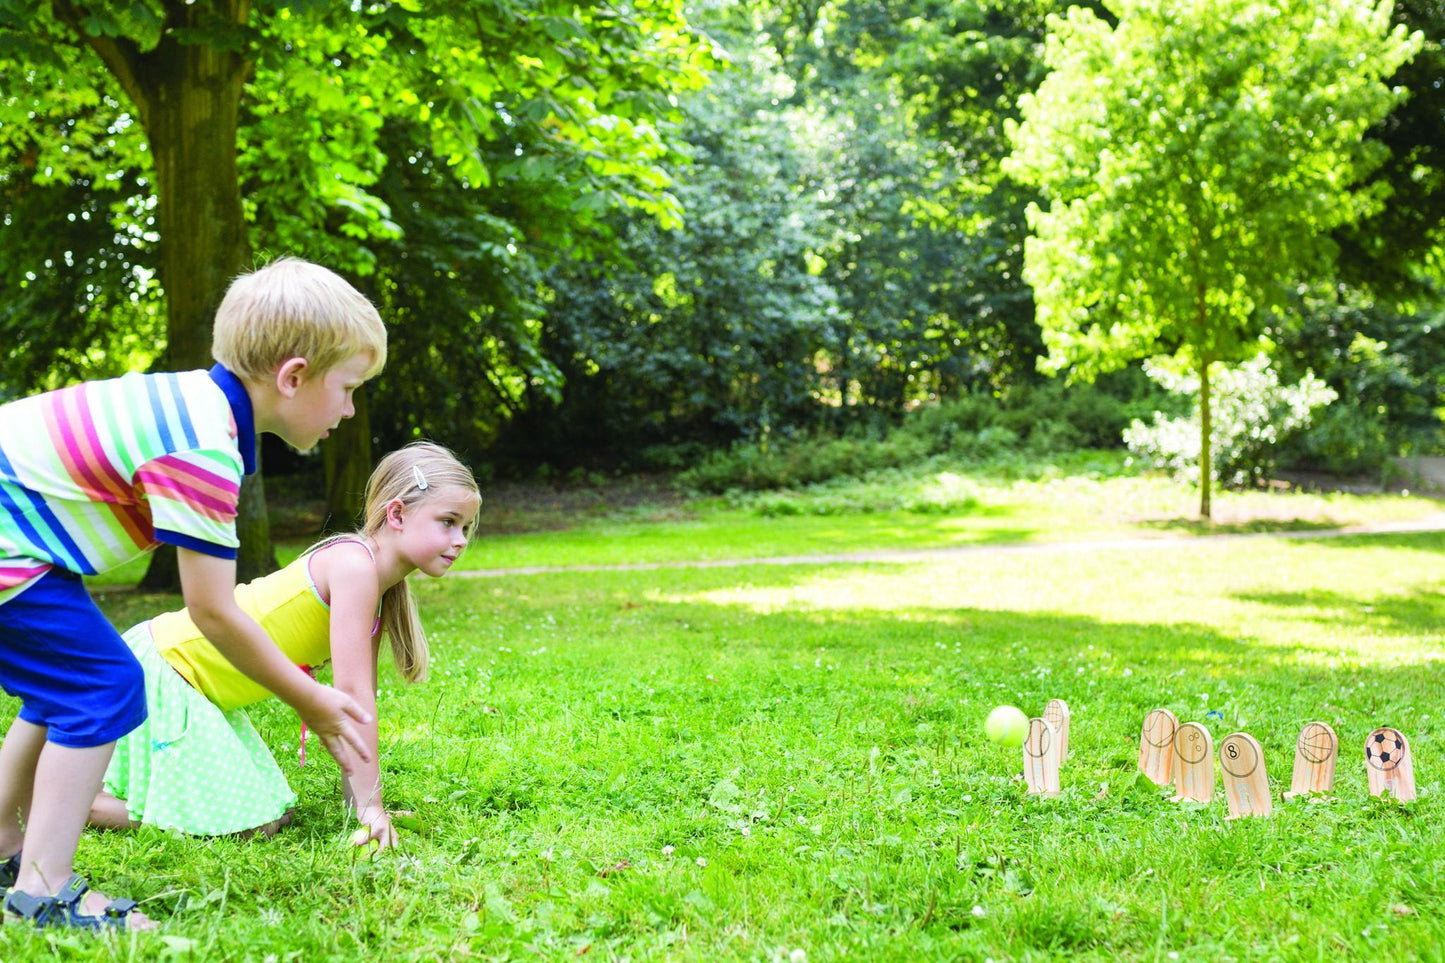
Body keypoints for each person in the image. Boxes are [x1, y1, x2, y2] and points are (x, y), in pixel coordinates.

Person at [0, 258, 385, 929]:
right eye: (348, 388)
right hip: (10, 541)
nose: (350, 409)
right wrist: (311, 699)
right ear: (293, 377)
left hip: (22, 542)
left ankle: (8, 846)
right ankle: (43, 894)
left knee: (64, 681)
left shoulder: (194, 409)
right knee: (102, 684)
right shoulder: (204, 446)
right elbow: (212, 609)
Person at [90, 443, 479, 849]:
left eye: (465, 527)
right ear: (396, 513)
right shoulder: (355, 566)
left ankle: (88, 791)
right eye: (448, 522)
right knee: (245, 825)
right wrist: (372, 810)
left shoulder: (377, 584)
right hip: (169, 668)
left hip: (193, 680)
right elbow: (352, 695)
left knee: (275, 810)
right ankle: (87, 805)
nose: (460, 540)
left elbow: (355, 705)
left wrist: (362, 806)